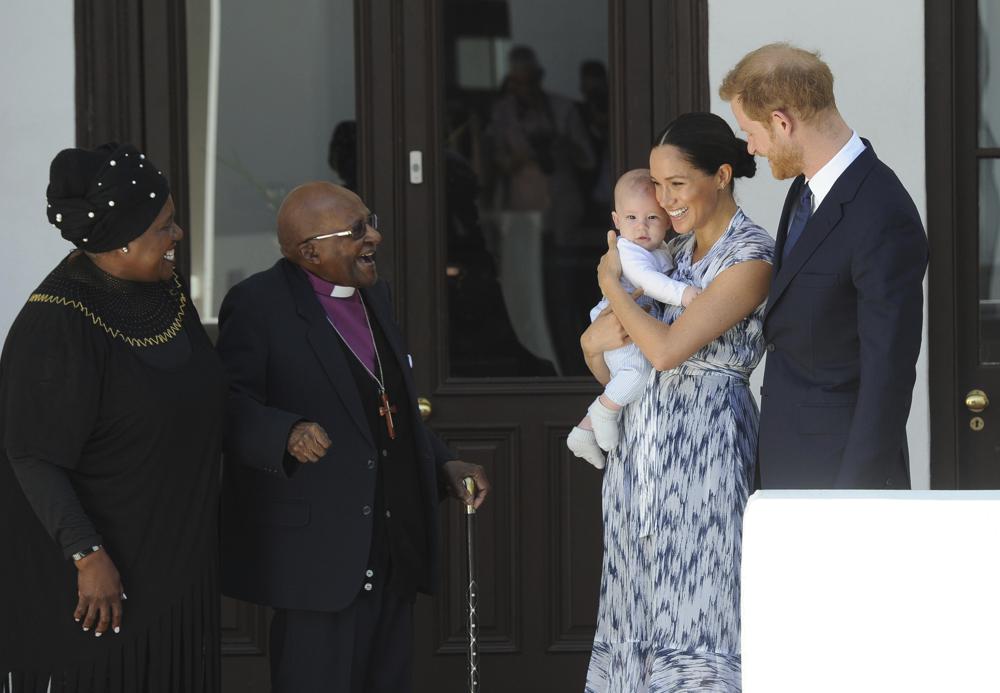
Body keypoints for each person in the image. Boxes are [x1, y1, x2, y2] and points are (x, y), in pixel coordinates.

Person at [215, 181, 490, 693]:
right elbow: (227, 407)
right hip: (318, 554)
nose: (376, 238)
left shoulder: (374, 295)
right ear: (309, 251)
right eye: (357, 230)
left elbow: (389, 407)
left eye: (371, 221)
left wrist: (442, 462)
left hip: (391, 546)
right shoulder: (257, 304)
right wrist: (285, 432)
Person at [0, 143, 224, 691]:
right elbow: (30, 453)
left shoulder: (164, 292)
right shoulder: (55, 325)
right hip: (102, 580)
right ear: (120, 241)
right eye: (164, 226)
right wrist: (87, 554)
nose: (178, 236)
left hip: (174, 557)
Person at [580, 113, 774, 691]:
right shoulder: (669, 252)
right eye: (657, 186)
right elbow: (609, 362)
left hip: (705, 457)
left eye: (677, 184)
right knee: (633, 605)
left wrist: (612, 285)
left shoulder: (751, 257)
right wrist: (591, 343)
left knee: (700, 602)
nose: (663, 200)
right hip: (639, 460)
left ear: (720, 176)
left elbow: (664, 352)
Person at [720, 43, 928, 489]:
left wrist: (852, 499)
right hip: (787, 466)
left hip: (841, 481)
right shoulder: (803, 191)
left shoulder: (882, 210)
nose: (751, 148)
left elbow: (888, 375)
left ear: (782, 121)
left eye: (750, 131)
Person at [567, 168, 699, 469]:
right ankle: (602, 411)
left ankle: (584, 430)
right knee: (636, 372)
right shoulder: (628, 251)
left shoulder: (662, 249)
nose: (641, 227)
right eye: (631, 218)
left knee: (634, 372)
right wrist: (684, 294)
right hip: (617, 323)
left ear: (666, 219)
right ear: (616, 221)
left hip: (633, 323)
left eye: (651, 218)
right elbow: (649, 282)